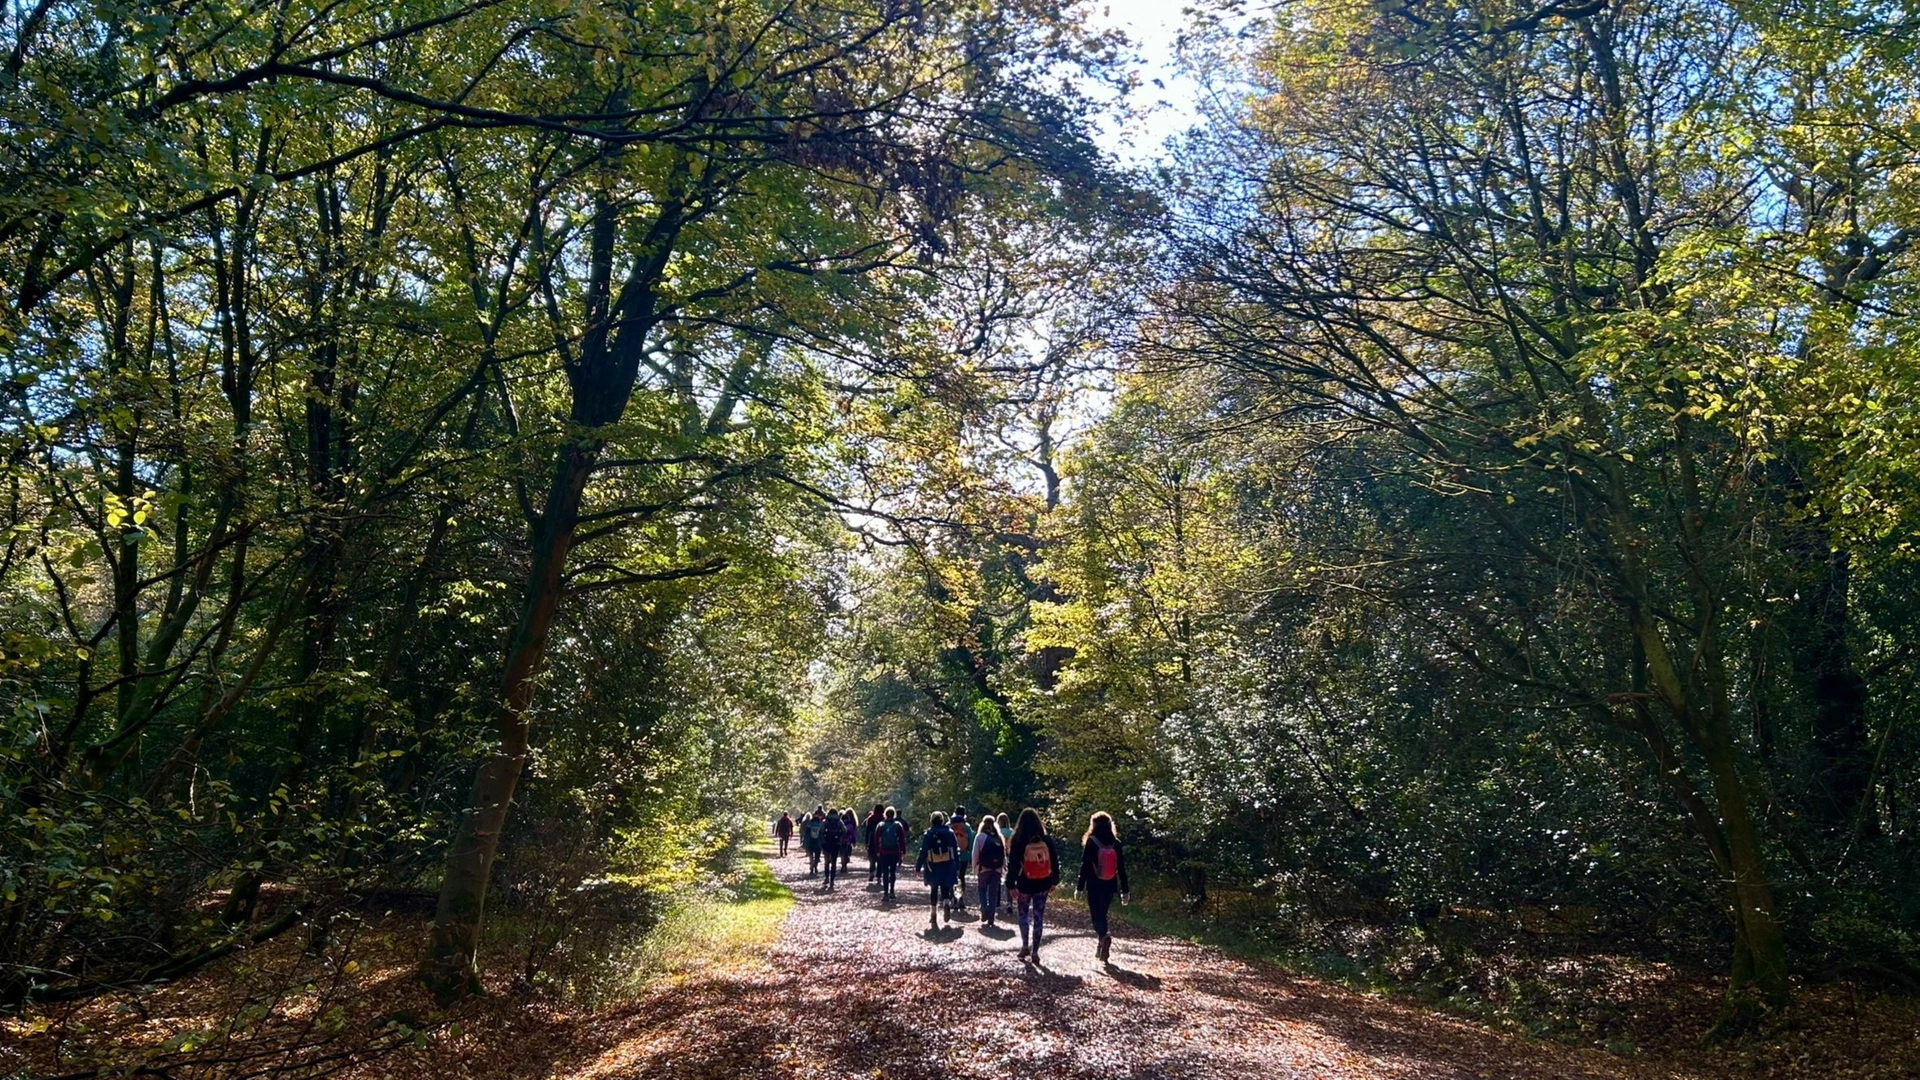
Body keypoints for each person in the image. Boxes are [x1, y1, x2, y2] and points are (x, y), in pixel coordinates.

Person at [1004, 807, 1061, 963]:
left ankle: (1024, 945)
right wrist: (1054, 881)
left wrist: (1010, 885)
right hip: (1043, 884)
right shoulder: (1046, 840)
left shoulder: (1017, 840)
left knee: (1023, 915)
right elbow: (1054, 862)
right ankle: (1035, 950)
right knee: (1038, 916)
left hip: (1024, 883)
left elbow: (1013, 864)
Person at [1077, 811, 1131, 961]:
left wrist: (1080, 887)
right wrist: (1125, 891)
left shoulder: (1092, 842)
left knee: (1096, 916)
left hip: (1094, 885)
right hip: (1110, 884)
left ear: (1093, 825)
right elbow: (1121, 868)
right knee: (1103, 913)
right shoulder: (1116, 843)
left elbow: (1085, 865)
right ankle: (1101, 944)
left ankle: (1103, 936)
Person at [914, 810, 961, 930]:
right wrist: (958, 867)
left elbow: (923, 851)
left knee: (933, 889)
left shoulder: (929, 834)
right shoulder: (950, 833)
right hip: (948, 864)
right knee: (946, 887)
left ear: (931, 821)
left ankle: (933, 914)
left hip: (932, 865)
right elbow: (955, 851)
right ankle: (946, 903)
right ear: (942, 820)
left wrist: (918, 866)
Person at [973, 809, 1006, 928]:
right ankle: (991, 917)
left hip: (983, 868)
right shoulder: (998, 837)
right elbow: (1003, 854)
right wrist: (1003, 868)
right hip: (996, 869)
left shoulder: (980, 837)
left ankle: (984, 908)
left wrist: (975, 868)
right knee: (993, 892)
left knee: (982, 889)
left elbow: (975, 854)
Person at [873, 805, 907, 900]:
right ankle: (892, 891)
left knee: (885, 872)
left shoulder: (880, 825)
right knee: (892, 871)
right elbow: (902, 840)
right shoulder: (898, 825)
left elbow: (876, 840)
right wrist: (903, 851)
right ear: (894, 814)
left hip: (884, 852)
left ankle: (885, 894)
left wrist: (877, 851)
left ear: (885, 814)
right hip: (895, 852)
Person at [949, 807, 973, 912]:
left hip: (951, 856)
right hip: (964, 855)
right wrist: (971, 856)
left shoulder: (949, 826)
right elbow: (971, 841)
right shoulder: (967, 827)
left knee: (951, 877)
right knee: (962, 877)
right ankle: (961, 899)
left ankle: (953, 899)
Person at [818, 808, 844, 890]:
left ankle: (826, 878)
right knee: (834, 862)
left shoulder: (826, 821)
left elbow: (821, 830)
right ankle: (832, 880)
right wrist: (839, 836)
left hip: (827, 843)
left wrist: (824, 837)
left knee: (826, 861)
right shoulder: (839, 821)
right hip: (836, 843)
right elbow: (845, 830)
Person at [996, 812, 1014, 916]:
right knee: (1008, 881)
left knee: (997, 879)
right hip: (1009, 857)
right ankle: (1009, 903)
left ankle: (997, 902)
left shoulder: (997, 832)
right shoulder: (1011, 832)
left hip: (999, 857)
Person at [864, 803, 885, 883]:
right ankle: (879, 875)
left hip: (872, 840)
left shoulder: (870, 818)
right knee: (880, 858)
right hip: (881, 840)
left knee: (872, 857)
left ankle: (871, 872)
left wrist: (866, 842)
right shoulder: (884, 818)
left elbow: (867, 831)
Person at [803, 806, 826, 877]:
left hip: (810, 843)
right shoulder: (821, 826)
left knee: (810, 856)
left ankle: (811, 868)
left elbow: (805, 836)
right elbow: (822, 835)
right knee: (817, 856)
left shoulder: (809, 827)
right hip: (818, 844)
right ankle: (815, 866)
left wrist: (804, 843)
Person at [839, 808, 857, 874]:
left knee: (842, 854)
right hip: (848, 842)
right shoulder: (850, 825)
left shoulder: (840, 824)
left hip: (841, 841)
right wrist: (854, 841)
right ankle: (845, 865)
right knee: (847, 853)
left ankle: (843, 865)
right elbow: (853, 833)